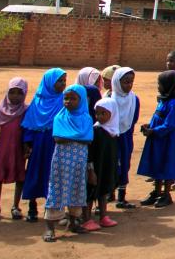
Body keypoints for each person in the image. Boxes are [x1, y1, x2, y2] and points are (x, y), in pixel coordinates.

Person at [41, 84, 94, 241]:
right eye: (66, 98)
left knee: (77, 189)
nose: (68, 101)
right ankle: (49, 228)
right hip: (61, 162)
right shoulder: (60, 117)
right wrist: (79, 136)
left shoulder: (86, 118)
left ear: (81, 100)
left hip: (79, 162)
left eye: (73, 98)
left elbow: (88, 139)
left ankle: (73, 222)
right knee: (57, 190)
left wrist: (71, 136)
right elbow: (58, 138)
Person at [20, 68, 68, 222]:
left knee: (54, 176)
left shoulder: (64, 101)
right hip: (38, 146)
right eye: (59, 81)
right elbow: (29, 125)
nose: (62, 84)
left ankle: (53, 210)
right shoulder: (37, 102)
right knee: (35, 174)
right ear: (49, 82)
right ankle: (32, 207)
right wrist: (27, 143)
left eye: (64, 81)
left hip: (55, 146)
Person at [138, 70, 175, 208]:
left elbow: (169, 124)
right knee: (157, 163)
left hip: (168, 140)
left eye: (160, 84)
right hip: (158, 139)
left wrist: (154, 131)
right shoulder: (163, 100)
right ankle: (157, 191)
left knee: (166, 163)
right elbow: (158, 117)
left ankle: (166, 194)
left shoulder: (174, 103)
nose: (158, 86)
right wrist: (149, 126)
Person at [0, 76, 28, 220]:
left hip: (19, 150)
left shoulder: (26, 111)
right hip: (2, 150)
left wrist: (28, 146)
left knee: (19, 176)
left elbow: (29, 129)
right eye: (12, 92)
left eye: (20, 93)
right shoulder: (1, 110)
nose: (15, 96)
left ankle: (16, 206)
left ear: (25, 93)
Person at [82, 95, 120, 231]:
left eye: (103, 113)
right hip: (95, 168)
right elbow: (90, 153)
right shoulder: (96, 130)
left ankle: (103, 216)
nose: (99, 116)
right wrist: (91, 170)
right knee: (90, 193)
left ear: (112, 113)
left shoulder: (113, 131)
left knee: (103, 191)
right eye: (97, 113)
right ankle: (86, 219)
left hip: (107, 167)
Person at [109, 67, 140, 209]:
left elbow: (134, 119)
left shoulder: (134, 99)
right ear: (117, 82)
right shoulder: (109, 99)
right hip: (111, 138)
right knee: (111, 164)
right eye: (125, 82)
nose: (129, 85)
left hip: (126, 137)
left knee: (125, 164)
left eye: (131, 82)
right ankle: (109, 192)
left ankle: (121, 197)